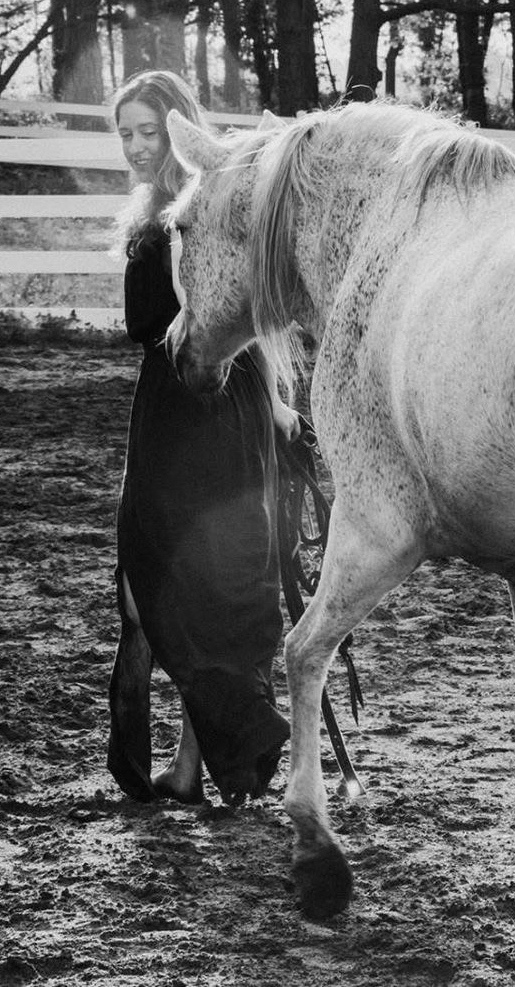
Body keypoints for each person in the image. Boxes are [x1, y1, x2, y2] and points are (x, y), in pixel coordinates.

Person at [107, 70, 301, 806]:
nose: (134, 146)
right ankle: (188, 765)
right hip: (166, 408)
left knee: (197, 587)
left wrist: (276, 407)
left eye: (147, 131)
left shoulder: (200, 210)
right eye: (124, 132)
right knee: (154, 579)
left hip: (209, 408)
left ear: (177, 128)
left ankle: (213, 755)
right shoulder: (151, 207)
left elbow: (245, 316)